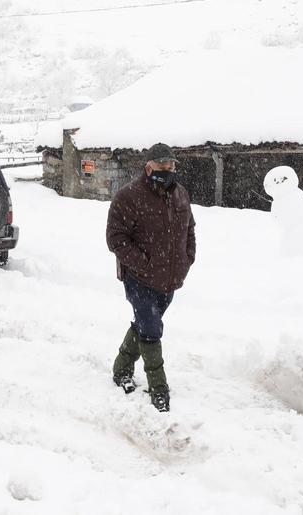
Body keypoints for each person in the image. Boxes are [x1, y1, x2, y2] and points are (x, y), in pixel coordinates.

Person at [106, 143, 197, 412]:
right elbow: (116, 239)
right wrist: (142, 264)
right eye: (161, 166)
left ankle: (121, 368)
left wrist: (186, 259)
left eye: (171, 166)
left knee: (145, 324)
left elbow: (189, 230)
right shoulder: (129, 196)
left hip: (170, 278)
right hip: (139, 278)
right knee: (151, 329)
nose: (168, 170)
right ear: (148, 167)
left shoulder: (180, 194)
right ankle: (159, 387)